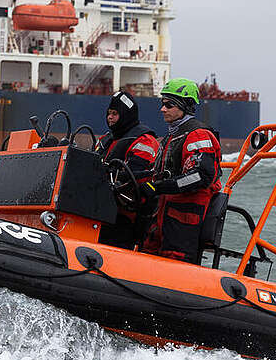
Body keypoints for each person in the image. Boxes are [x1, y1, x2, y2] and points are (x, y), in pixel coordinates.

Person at [140, 78, 222, 263]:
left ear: (185, 106)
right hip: (163, 215)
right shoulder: (173, 135)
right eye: (162, 104)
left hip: (184, 219)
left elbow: (199, 177)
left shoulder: (197, 135)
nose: (163, 109)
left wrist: (158, 187)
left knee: (175, 261)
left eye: (169, 105)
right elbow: (160, 173)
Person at [94, 90, 159, 249]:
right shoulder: (107, 139)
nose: (110, 117)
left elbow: (134, 174)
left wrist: (110, 176)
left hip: (126, 214)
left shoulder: (145, 141)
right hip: (101, 209)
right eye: (109, 113)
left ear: (126, 114)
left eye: (115, 113)